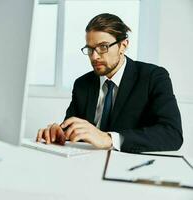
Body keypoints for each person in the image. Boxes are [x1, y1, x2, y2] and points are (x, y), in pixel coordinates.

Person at [36, 13, 183, 153]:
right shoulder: (82, 84)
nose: (94, 56)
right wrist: (60, 134)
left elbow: (172, 134)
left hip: (129, 166)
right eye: (90, 49)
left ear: (123, 45)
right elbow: (73, 129)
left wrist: (109, 139)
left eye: (103, 47)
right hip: (85, 165)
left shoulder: (153, 77)